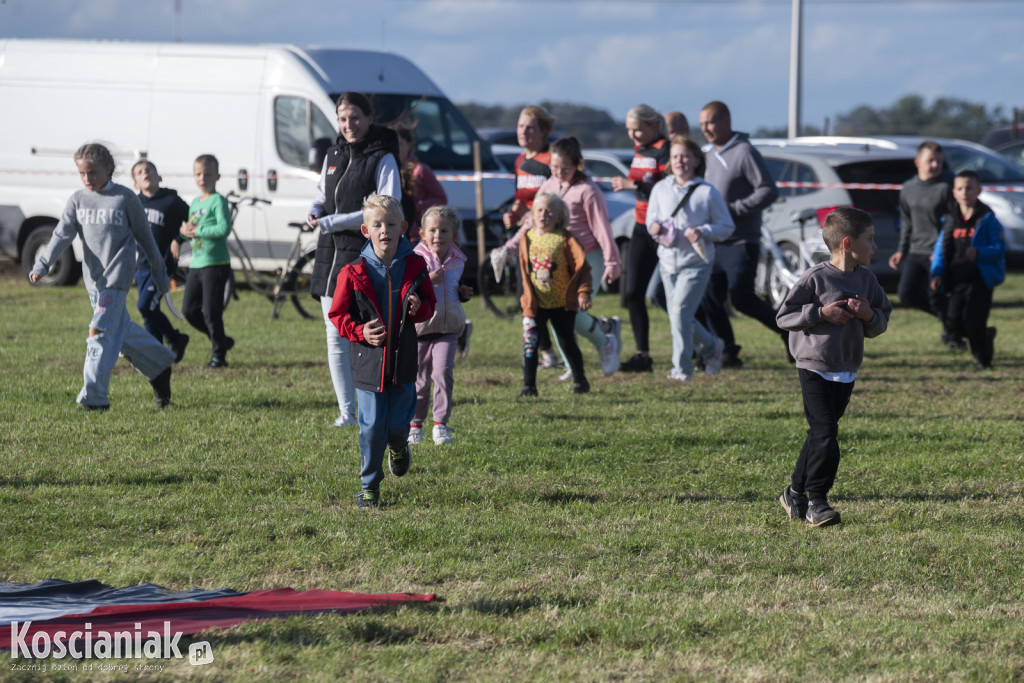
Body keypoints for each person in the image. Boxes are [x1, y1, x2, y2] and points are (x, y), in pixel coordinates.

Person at [29, 143, 175, 410]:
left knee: (99, 332)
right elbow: (62, 235)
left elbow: (147, 241)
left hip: (116, 281)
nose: (87, 179)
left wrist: (161, 275)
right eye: (82, 174)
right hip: (94, 283)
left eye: (93, 173)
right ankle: (160, 366)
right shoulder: (77, 200)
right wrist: (43, 264)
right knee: (122, 334)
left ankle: (94, 400)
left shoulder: (125, 199)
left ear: (109, 169)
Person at [777, 207, 892, 527]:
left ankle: (794, 492)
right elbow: (784, 317)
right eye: (869, 239)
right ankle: (818, 501)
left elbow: (881, 321)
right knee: (826, 432)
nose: (875, 246)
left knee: (820, 433)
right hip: (813, 365)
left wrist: (868, 314)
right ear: (847, 243)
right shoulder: (816, 278)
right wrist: (820, 314)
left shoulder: (867, 281)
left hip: (846, 368)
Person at [328, 194, 436, 509]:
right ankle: (369, 487)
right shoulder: (352, 271)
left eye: (391, 224)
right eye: (377, 225)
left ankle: (400, 447)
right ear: (366, 230)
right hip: (368, 363)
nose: (384, 230)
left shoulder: (416, 266)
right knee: (372, 428)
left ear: (403, 227)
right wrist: (359, 331)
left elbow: (430, 304)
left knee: (397, 427)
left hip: (403, 364)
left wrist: (419, 309)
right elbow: (338, 315)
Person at [308, 91, 401, 428]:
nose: (349, 125)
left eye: (355, 118)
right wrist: (316, 211)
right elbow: (322, 194)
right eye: (343, 119)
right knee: (334, 333)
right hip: (329, 253)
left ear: (369, 118)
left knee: (363, 334)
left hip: (362, 255)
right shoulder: (332, 153)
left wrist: (334, 221)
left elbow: (385, 207)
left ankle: (373, 405)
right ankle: (347, 412)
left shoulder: (382, 157)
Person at [501, 137, 623, 376]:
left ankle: (605, 344)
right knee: (559, 313)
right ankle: (572, 366)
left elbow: (602, 228)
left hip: (587, 259)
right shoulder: (548, 186)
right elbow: (531, 222)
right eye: (554, 168)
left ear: (578, 164)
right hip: (558, 262)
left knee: (574, 312)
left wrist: (613, 262)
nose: (558, 173)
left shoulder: (588, 190)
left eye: (564, 168)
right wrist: (510, 247)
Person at [699, 101, 785, 368]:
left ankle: (787, 331)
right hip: (714, 240)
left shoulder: (744, 151)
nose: (705, 129)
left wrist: (734, 209)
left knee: (741, 297)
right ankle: (727, 352)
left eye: (710, 122)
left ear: (726, 121)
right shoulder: (707, 156)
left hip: (741, 240)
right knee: (710, 297)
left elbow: (768, 190)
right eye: (702, 124)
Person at [647, 136, 734, 382]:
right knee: (679, 315)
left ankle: (681, 370)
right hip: (666, 262)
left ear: (696, 160)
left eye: (685, 156)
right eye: (675, 156)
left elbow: (726, 226)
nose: (680, 161)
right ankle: (711, 347)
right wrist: (653, 226)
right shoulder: (660, 188)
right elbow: (650, 218)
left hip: (696, 262)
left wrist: (704, 231)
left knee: (679, 313)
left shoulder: (707, 192)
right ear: (669, 161)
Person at [610, 104, 670, 372]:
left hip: (665, 230)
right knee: (633, 293)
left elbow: (669, 186)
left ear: (652, 126)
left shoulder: (664, 149)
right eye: (628, 130)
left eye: (637, 129)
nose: (632, 135)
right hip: (640, 226)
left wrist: (632, 184)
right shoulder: (639, 151)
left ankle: (706, 347)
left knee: (668, 296)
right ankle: (642, 355)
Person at [409, 205, 473, 446]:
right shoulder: (415, 258)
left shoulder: (458, 260)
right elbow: (407, 289)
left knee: (443, 374)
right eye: (432, 230)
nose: (438, 235)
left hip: (448, 329)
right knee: (421, 379)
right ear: (423, 233)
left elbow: (453, 289)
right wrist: (426, 279)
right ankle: (415, 424)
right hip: (421, 329)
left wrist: (464, 292)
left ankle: (441, 425)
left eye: (444, 230)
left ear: (454, 235)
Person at [930, 170, 1006, 369]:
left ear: (978, 190)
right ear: (954, 192)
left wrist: (979, 253)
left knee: (974, 322)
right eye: (960, 188)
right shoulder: (950, 218)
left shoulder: (987, 218)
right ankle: (984, 335)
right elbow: (940, 248)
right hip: (956, 280)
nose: (965, 192)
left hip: (980, 280)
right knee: (952, 321)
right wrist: (936, 272)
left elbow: (999, 248)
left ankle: (984, 361)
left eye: (969, 188)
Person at [518, 192, 592, 397]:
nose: (544, 215)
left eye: (550, 211)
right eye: (539, 210)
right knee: (530, 343)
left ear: (560, 216)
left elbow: (583, 268)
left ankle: (580, 380)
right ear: (532, 214)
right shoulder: (527, 238)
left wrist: (583, 293)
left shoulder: (565, 238)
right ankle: (529, 386)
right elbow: (523, 270)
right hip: (535, 305)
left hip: (561, 304)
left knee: (567, 342)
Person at [889, 140, 956, 346]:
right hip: (916, 250)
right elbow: (907, 223)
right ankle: (954, 320)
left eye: (939, 161)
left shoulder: (945, 189)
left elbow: (952, 223)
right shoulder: (908, 189)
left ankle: (952, 334)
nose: (935, 165)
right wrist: (901, 250)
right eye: (930, 161)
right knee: (906, 294)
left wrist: (942, 252)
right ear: (918, 162)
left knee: (936, 295)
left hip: (937, 252)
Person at [130, 159, 190, 362]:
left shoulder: (171, 200)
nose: (145, 172)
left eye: (149, 170)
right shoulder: (133, 203)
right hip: (142, 266)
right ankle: (156, 354)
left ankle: (175, 338)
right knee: (150, 312)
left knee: (144, 305)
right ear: (135, 183)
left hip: (163, 265)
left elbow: (193, 220)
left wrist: (178, 239)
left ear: (159, 176)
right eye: (139, 172)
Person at [179, 154, 234, 369]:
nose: (203, 178)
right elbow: (191, 230)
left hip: (216, 264)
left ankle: (219, 357)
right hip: (196, 264)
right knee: (189, 311)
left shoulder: (218, 201)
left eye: (207, 174)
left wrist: (198, 230)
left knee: (212, 313)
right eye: (198, 174)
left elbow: (223, 229)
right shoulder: (195, 202)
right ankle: (222, 340)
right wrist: (183, 232)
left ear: (217, 176)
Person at [390, 121, 447, 244]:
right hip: (395, 235)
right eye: (392, 145)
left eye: (399, 144)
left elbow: (442, 199)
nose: (396, 149)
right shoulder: (388, 170)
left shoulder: (421, 170)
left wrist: (415, 206)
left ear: (409, 145)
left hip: (417, 236)